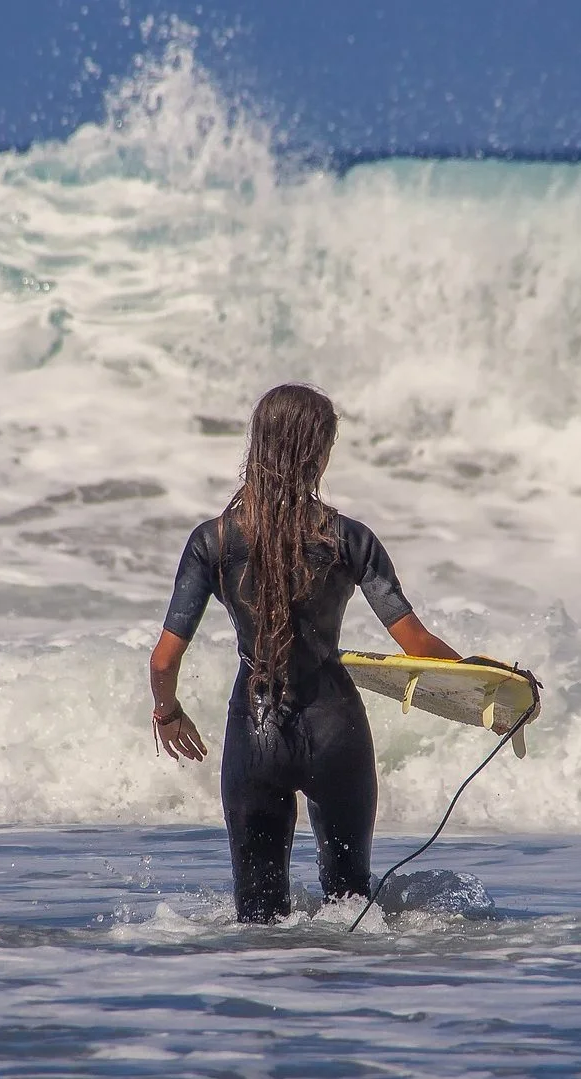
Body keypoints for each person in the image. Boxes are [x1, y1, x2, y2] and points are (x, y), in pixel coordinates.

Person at [148, 383, 463, 923]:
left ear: (258, 446)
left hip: (256, 732)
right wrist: (481, 679)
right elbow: (415, 645)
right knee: (350, 910)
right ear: (316, 452)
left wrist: (168, 711)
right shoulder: (348, 538)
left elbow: (163, 660)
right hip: (337, 730)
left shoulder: (212, 542)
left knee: (258, 919)